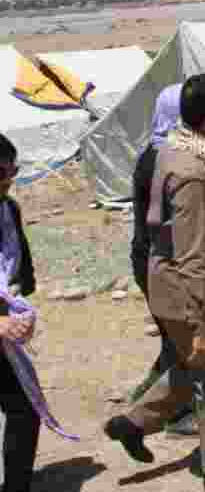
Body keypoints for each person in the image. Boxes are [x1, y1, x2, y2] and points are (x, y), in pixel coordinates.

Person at [104, 73, 205, 492]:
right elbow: (191, 252)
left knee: (194, 367)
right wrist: (201, 324)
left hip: (177, 286)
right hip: (187, 292)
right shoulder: (193, 170)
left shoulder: (181, 148)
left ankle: (132, 423)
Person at [1, 133, 79, 492]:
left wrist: (16, 305)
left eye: (12, 171)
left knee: (22, 408)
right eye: (1, 172)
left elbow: (19, 271)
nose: (9, 180)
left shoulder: (7, 209)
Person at [127, 83, 197, 436]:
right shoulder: (163, 159)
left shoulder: (158, 152)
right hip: (162, 261)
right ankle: (175, 415)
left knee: (173, 338)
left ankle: (148, 392)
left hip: (153, 257)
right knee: (183, 342)